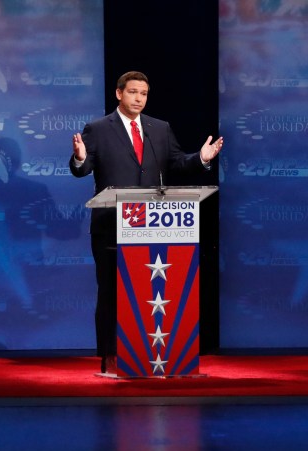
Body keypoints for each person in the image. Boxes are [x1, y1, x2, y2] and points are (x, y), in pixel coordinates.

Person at [69, 71, 223, 374]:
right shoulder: (98, 129)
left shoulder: (159, 129)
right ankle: (111, 356)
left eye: (144, 93)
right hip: (112, 226)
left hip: (152, 226)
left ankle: (153, 354)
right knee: (111, 292)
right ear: (119, 94)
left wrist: (201, 159)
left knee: (151, 290)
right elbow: (83, 168)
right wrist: (79, 157)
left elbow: (177, 162)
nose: (139, 98)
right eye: (133, 92)